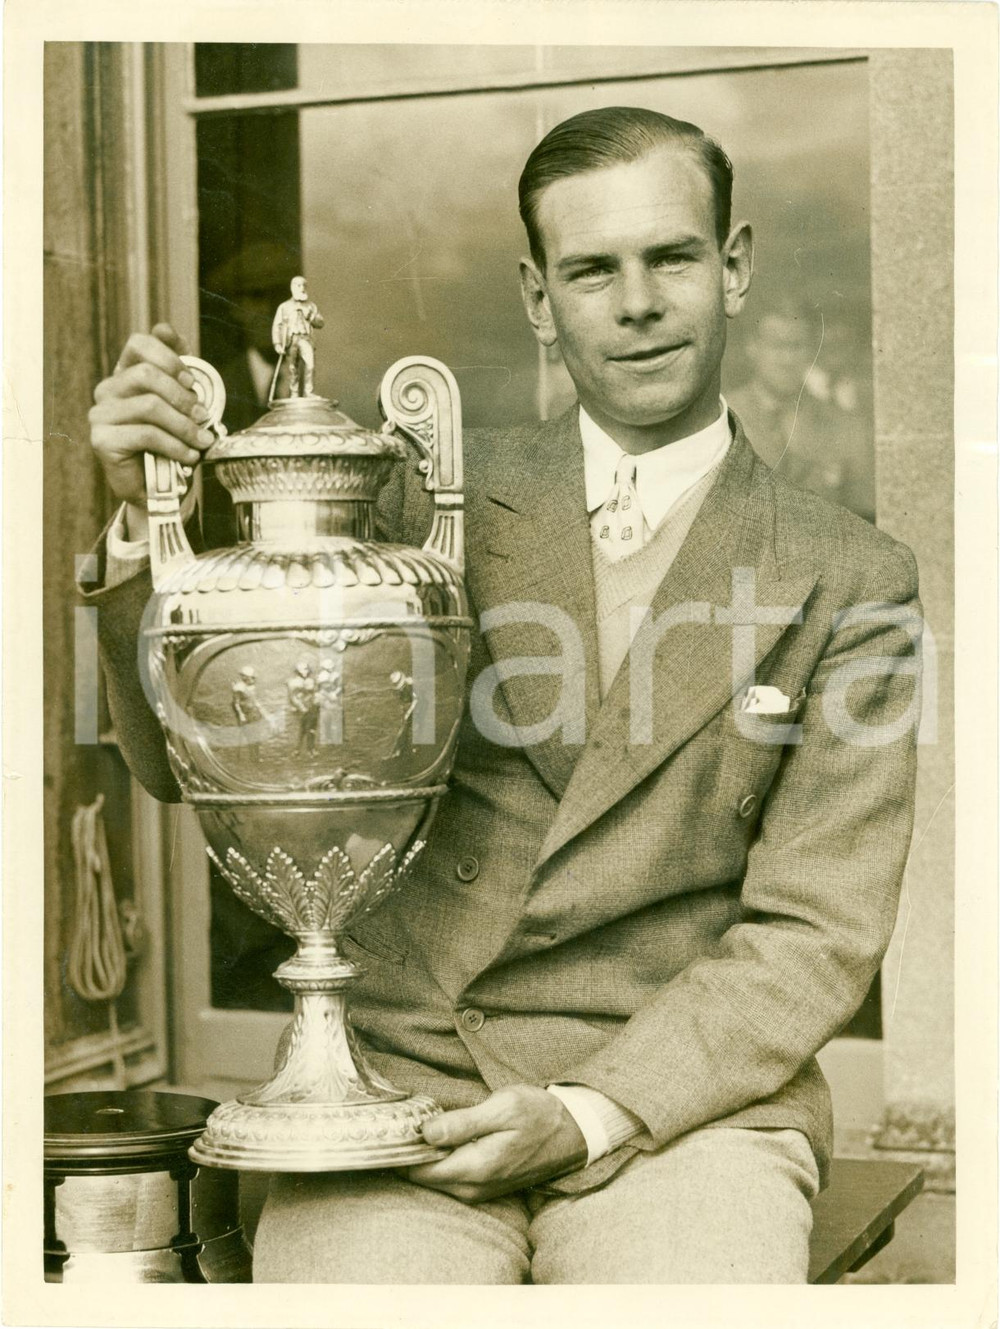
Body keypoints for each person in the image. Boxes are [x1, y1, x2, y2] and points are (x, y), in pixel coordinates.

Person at [83, 106, 922, 1283]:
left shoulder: (855, 578)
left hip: (684, 1112)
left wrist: (589, 1110)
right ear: (539, 299)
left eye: (670, 257)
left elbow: (814, 931)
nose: (635, 304)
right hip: (403, 1095)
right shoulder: (408, 513)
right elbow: (187, 765)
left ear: (732, 266)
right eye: (590, 269)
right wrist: (143, 522)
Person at [728, 300, 876, 522]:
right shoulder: (722, 417)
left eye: (797, 346)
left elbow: (864, 518)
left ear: (811, 351)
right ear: (753, 347)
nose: (787, 360)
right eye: (777, 346)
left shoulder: (845, 425)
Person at [271, 275, 325, 399]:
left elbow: (321, 323)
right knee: (292, 368)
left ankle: (309, 392)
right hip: (291, 340)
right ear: (292, 288)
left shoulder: (311, 306)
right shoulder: (284, 307)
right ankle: (294, 393)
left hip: (305, 339)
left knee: (310, 365)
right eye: (299, 286)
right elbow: (277, 325)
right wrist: (277, 343)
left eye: (304, 286)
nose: (302, 289)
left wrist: (311, 317)